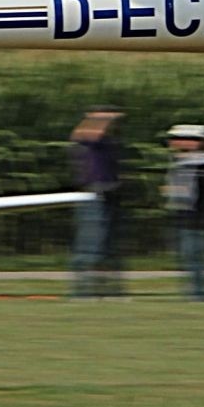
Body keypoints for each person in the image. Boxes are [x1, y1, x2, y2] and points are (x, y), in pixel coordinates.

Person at [68, 104, 125, 298]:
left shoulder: (109, 142)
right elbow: (83, 134)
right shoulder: (89, 141)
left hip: (110, 193)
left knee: (109, 247)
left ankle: (111, 291)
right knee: (89, 245)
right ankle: (82, 292)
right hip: (93, 194)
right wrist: (101, 118)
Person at [164, 123, 204, 300]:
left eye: (186, 139)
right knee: (188, 258)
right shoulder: (178, 163)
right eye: (175, 139)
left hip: (200, 217)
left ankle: (202, 294)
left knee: (197, 256)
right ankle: (194, 292)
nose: (178, 143)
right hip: (182, 216)